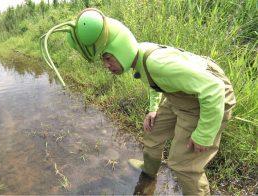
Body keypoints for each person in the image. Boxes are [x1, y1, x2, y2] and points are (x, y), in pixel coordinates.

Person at [42, 8, 236, 196]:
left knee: (182, 164)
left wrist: (204, 134)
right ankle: (149, 171)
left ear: (120, 48)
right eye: (103, 61)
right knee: (153, 129)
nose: (107, 66)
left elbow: (213, 89)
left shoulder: (156, 63)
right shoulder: (140, 57)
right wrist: (152, 109)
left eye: (108, 58)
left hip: (207, 101)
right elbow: (155, 82)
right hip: (182, 95)